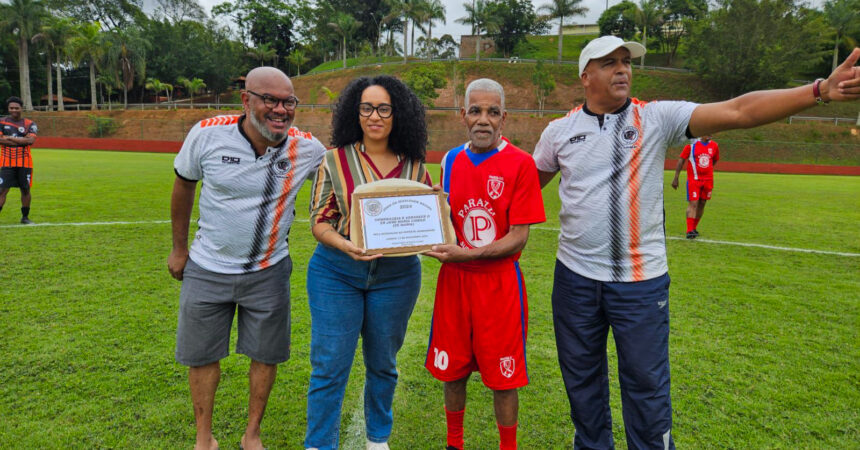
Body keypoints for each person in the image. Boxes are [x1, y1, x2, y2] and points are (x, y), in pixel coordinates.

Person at [532, 35, 860, 449]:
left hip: (640, 283)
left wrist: (818, 91)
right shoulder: (559, 131)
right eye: (609, 63)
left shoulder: (655, 118)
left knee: (647, 390)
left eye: (625, 62)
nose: (622, 69)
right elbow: (523, 187)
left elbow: (739, 111)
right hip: (575, 280)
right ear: (585, 76)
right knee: (581, 385)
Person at [168, 67, 325, 450]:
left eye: (288, 102)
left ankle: (251, 434)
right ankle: (203, 437)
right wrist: (179, 248)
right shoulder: (207, 134)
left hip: (269, 270)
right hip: (207, 266)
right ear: (246, 100)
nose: (280, 109)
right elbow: (183, 187)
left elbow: (347, 179)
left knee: (265, 355)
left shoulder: (307, 148)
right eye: (269, 99)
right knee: (202, 356)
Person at [305, 75, 432, 450]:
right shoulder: (334, 160)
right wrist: (346, 246)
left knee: (383, 365)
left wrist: (433, 230)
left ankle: (378, 439)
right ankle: (318, 444)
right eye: (366, 108)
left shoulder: (414, 167)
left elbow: (424, 221)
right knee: (330, 366)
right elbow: (319, 222)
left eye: (383, 108)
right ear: (354, 112)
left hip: (397, 276)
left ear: (398, 114)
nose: (374, 116)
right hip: (337, 273)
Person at [424, 78, 546, 450]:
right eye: (475, 110)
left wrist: (469, 254)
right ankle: (454, 443)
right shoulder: (450, 160)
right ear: (463, 115)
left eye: (492, 112)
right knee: (453, 369)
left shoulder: (522, 163)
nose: (483, 119)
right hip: (455, 282)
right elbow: (442, 216)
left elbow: (518, 237)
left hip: (498, 284)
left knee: (504, 377)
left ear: (504, 117)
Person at [671, 135, 720, 239]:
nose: (710, 134)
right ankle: (689, 230)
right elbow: (681, 161)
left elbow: (714, 160)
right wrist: (676, 177)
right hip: (694, 180)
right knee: (693, 203)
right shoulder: (691, 147)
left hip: (708, 180)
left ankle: (694, 228)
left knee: (702, 203)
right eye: (708, 132)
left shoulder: (714, 146)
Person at [0, 96, 38, 224]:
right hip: (6, 162)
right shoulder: (1, 122)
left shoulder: (30, 124)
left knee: (25, 190)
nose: (14, 110)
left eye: (16, 108)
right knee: (2, 190)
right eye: (11, 108)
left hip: (25, 162)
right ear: (8, 108)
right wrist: (21, 141)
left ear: (21, 108)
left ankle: (25, 217)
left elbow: (30, 141)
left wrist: (9, 138)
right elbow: (0, 140)